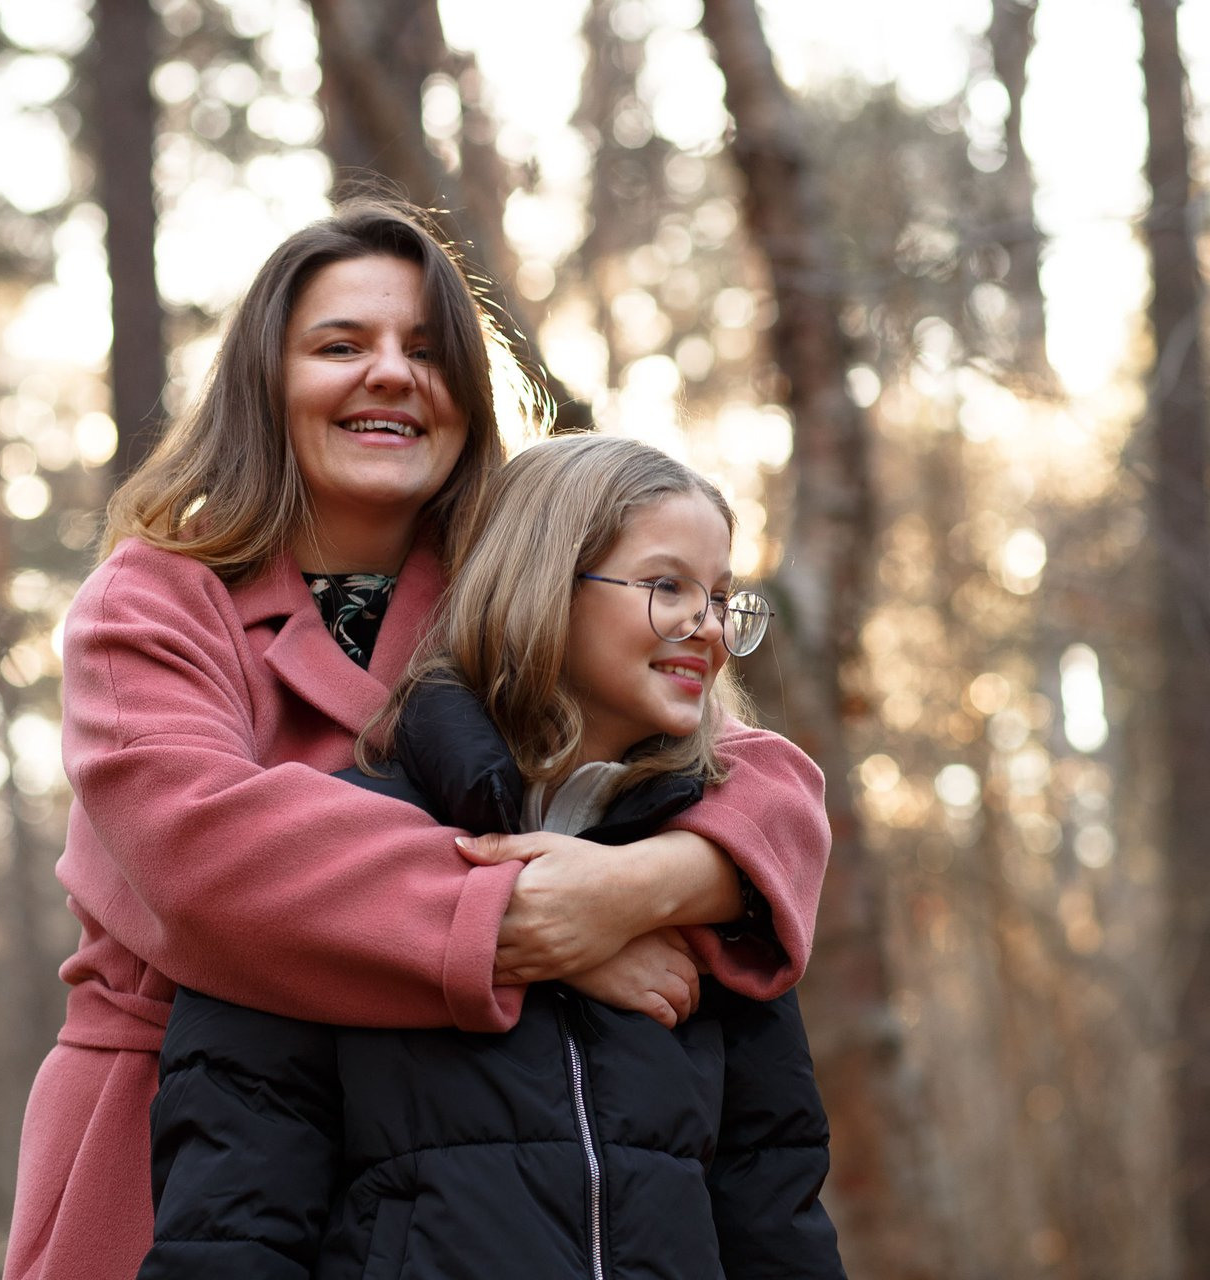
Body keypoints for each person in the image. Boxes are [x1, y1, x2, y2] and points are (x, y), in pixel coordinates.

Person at [3, 196, 832, 1280]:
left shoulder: (514, 597)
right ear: (264, 381)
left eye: (428, 350)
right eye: (340, 345)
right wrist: (542, 923)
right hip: (178, 1148)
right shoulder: (155, 599)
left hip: (457, 1164)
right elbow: (202, 856)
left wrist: (639, 887)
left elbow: (750, 777)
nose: (389, 373)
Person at [140, 433, 844, 1279]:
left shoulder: (709, 884)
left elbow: (776, 1213)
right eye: (666, 587)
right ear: (545, 582)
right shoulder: (330, 859)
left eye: (723, 598)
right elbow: (231, 1231)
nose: (708, 629)